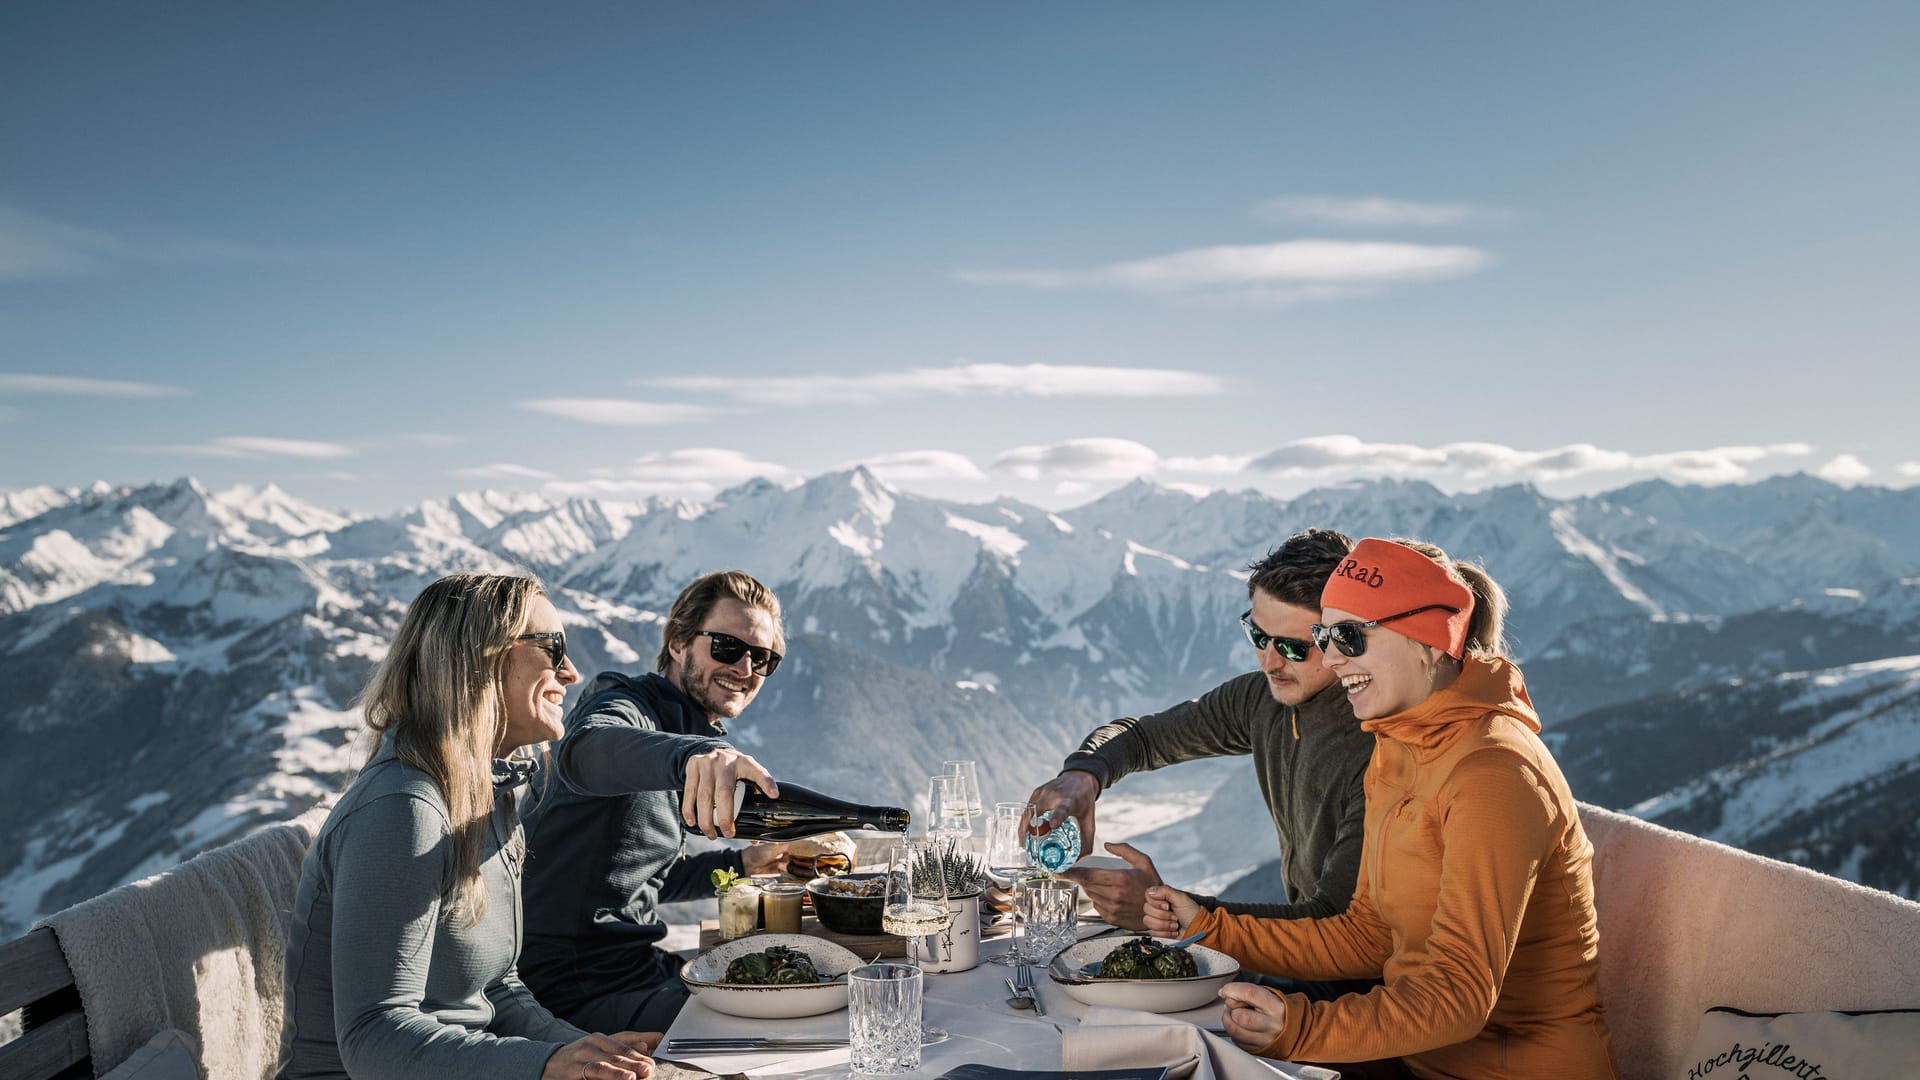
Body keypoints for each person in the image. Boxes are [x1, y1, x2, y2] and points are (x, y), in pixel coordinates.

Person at [1144, 538, 1619, 1079]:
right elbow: (1366, 935)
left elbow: (1459, 995)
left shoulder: (1492, 773)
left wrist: (1302, 1028)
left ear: (1431, 643)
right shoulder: (1398, 747)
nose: (1333, 657)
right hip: (1416, 1060)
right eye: (1323, 637)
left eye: (1350, 636)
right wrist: (1207, 925)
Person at [281, 573, 659, 1080]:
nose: (570, 672)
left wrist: (587, 1051)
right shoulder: (403, 809)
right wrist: (545, 1064)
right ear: (480, 658)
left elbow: (497, 989)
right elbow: (374, 1036)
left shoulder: (490, 797)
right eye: (553, 648)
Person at [1024, 529, 1377, 999]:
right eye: (1257, 635)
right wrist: (1082, 776)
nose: (1269, 662)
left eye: (1293, 647)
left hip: (1362, 998)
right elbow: (1144, 737)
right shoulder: (1262, 701)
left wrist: (1167, 911)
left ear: (1344, 640)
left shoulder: (1377, 748)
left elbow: (1336, 923)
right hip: (1300, 965)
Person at [520, 570, 792, 1034]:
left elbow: (645, 881)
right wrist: (692, 755)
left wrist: (746, 863)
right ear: (679, 643)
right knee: (779, 1021)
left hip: (633, 969)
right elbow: (584, 749)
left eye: (762, 658)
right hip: (571, 991)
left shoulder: (676, 731)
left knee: (792, 980)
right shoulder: (626, 707)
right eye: (727, 647)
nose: (745, 670)